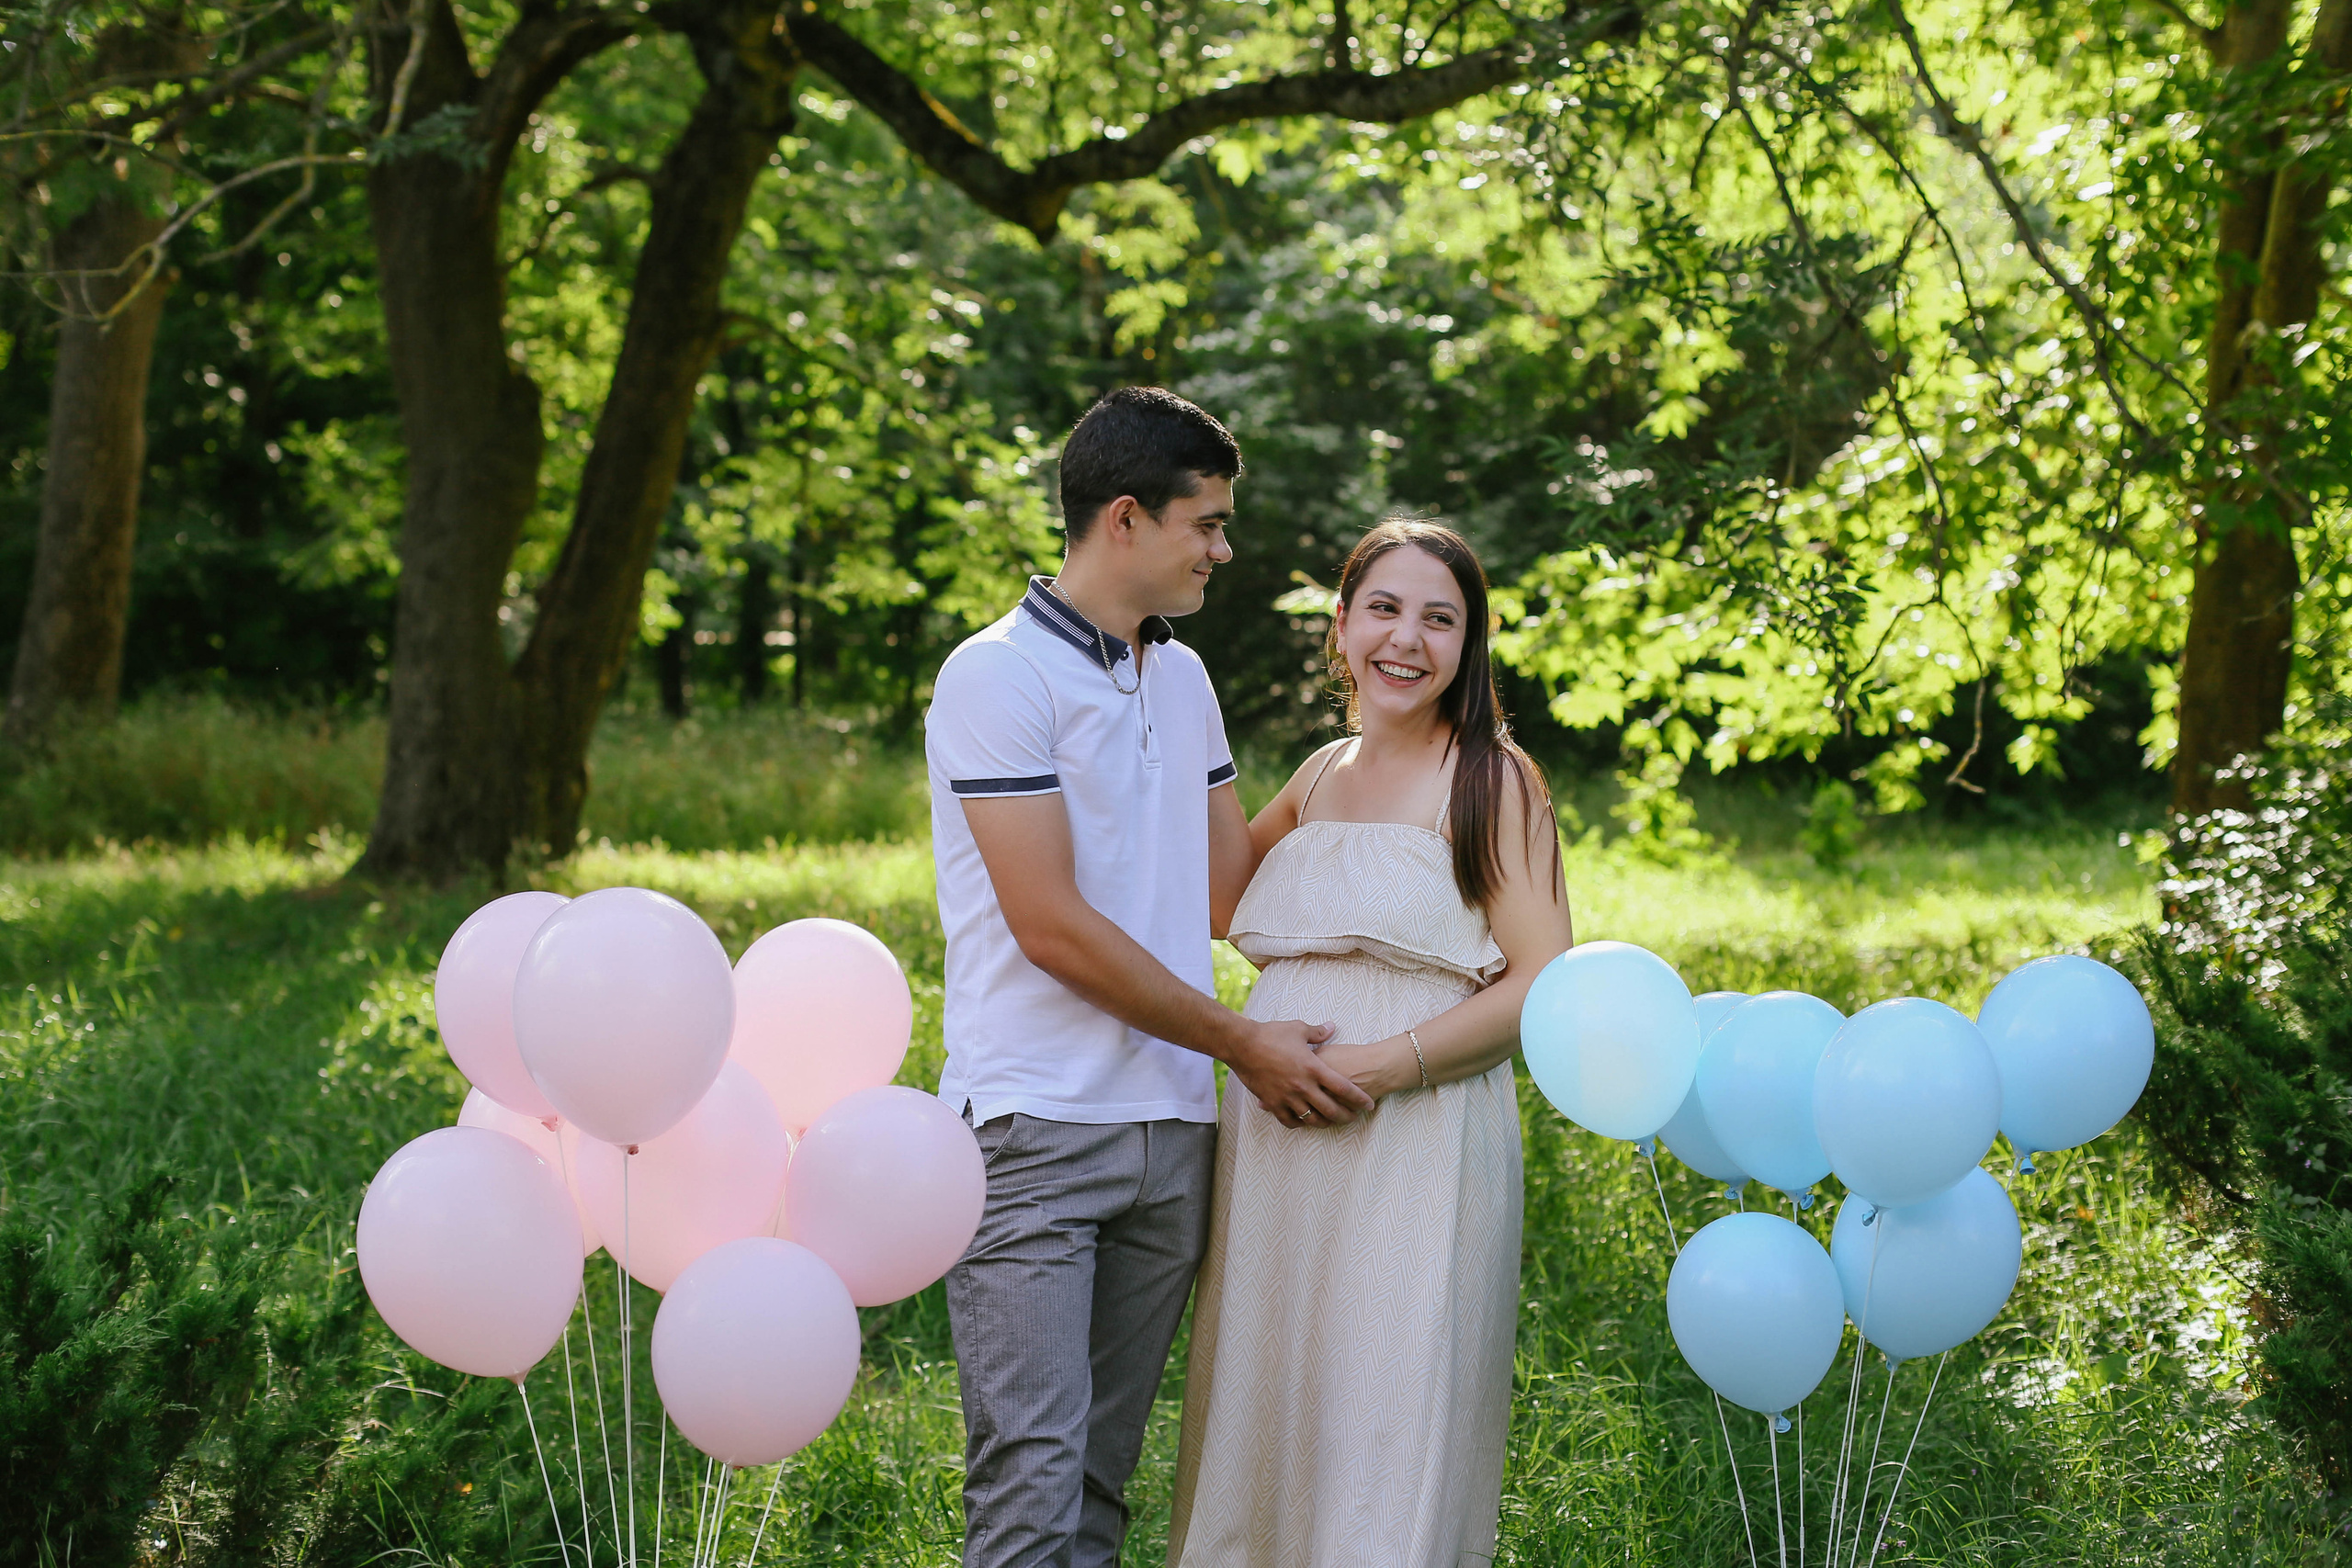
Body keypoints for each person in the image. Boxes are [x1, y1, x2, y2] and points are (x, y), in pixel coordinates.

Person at [924, 386, 1374, 1568]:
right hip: (1033, 1130)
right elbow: (1051, 928)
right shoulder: (996, 676)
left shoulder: (1183, 678)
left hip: (1171, 1135)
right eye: (1208, 524)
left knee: (1096, 1489)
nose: (1224, 550)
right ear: (1125, 518)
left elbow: (1225, 894)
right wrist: (1243, 1043)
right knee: (1028, 1487)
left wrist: (1364, 762)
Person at [1167, 516, 1575, 1568]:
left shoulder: (1494, 780)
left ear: (1467, 646)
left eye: (1440, 619)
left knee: (1388, 1410)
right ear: (1341, 626)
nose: (1408, 638)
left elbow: (1540, 981)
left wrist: (1385, 1067)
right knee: (1266, 1389)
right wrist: (1183, 731)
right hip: (1275, 1150)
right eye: (1385, 609)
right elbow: (1219, 902)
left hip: (1417, 1136)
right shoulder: (1316, 775)